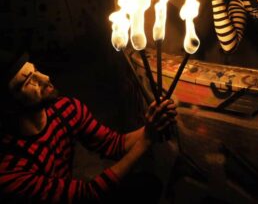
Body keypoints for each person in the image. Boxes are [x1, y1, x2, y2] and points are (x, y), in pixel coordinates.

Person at [0, 49, 177, 203]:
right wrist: (146, 140)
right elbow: (87, 195)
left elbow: (113, 144)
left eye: (36, 70)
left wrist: (153, 123)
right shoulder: (9, 171)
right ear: (9, 106)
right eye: (28, 81)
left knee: (146, 185)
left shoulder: (67, 108)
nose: (45, 78)